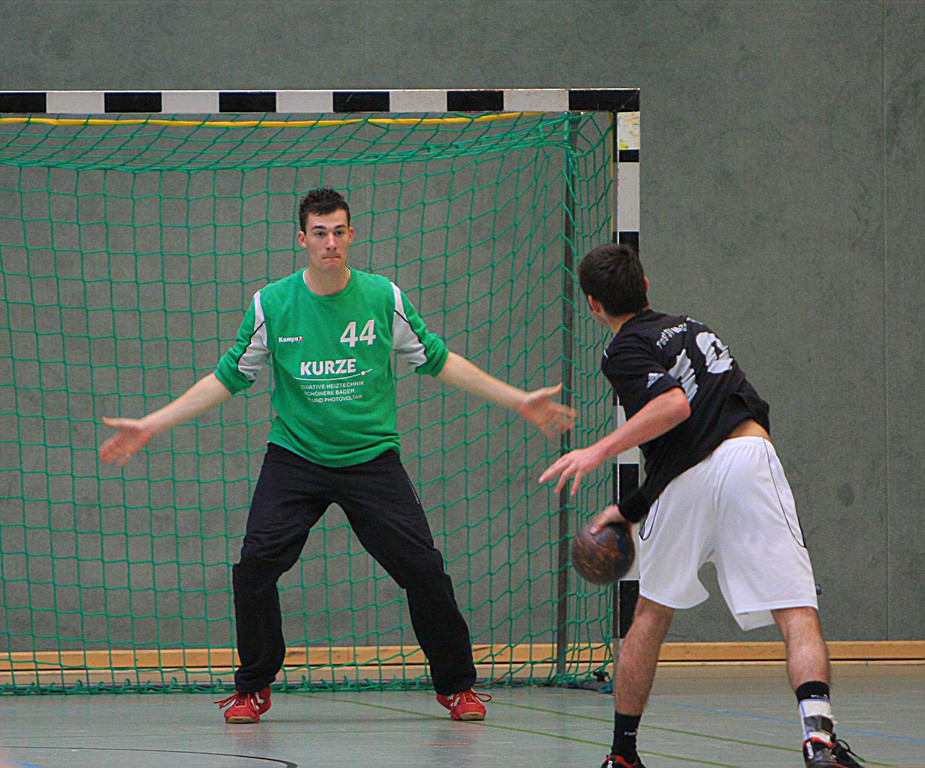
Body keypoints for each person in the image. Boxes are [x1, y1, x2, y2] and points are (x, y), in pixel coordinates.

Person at [100, 187, 576, 725]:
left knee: (424, 569)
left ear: (352, 236)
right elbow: (228, 376)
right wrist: (151, 424)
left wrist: (518, 400)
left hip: (370, 458)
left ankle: (457, 687)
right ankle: (254, 687)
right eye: (320, 233)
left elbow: (439, 360)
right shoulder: (272, 304)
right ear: (302, 239)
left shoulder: (382, 298)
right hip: (295, 458)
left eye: (339, 232)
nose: (330, 242)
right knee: (254, 566)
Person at [539, 243, 866, 768]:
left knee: (650, 614)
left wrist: (597, 452)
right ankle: (819, 740)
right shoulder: (694, 328)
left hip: (683, 482)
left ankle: (623, 754)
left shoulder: (621, 350)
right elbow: (700, 424)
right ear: (645, 286)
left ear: (593, 304)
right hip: (746, 458)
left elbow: (673, 408)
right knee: (796, 611)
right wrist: (632, 506)